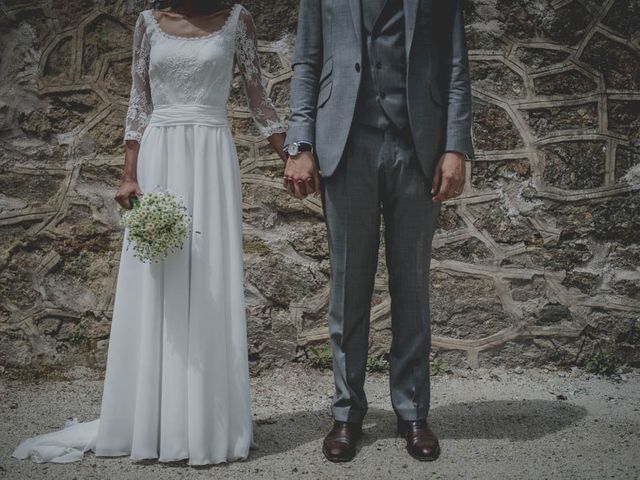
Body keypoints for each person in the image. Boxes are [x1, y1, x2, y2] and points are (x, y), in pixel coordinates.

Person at [13, 0, 286, 465]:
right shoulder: (147, 23)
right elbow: (139, 101)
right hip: (161, 155)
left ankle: (206, 424)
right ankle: (153, 420)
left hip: (212, 155)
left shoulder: (238, 20)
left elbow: (257, 95)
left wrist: (292, 154)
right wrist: (128, 173)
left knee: (210, 279)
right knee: (157, 280)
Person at [283, 0, 473, 462]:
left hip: (418, 146)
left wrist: (455, 146)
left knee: (412, 285)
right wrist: (300, 142)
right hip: (345, 144)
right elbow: (307, 61)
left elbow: (456, 65)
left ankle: (412, 413)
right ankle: (347, 414)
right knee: (349, 289)